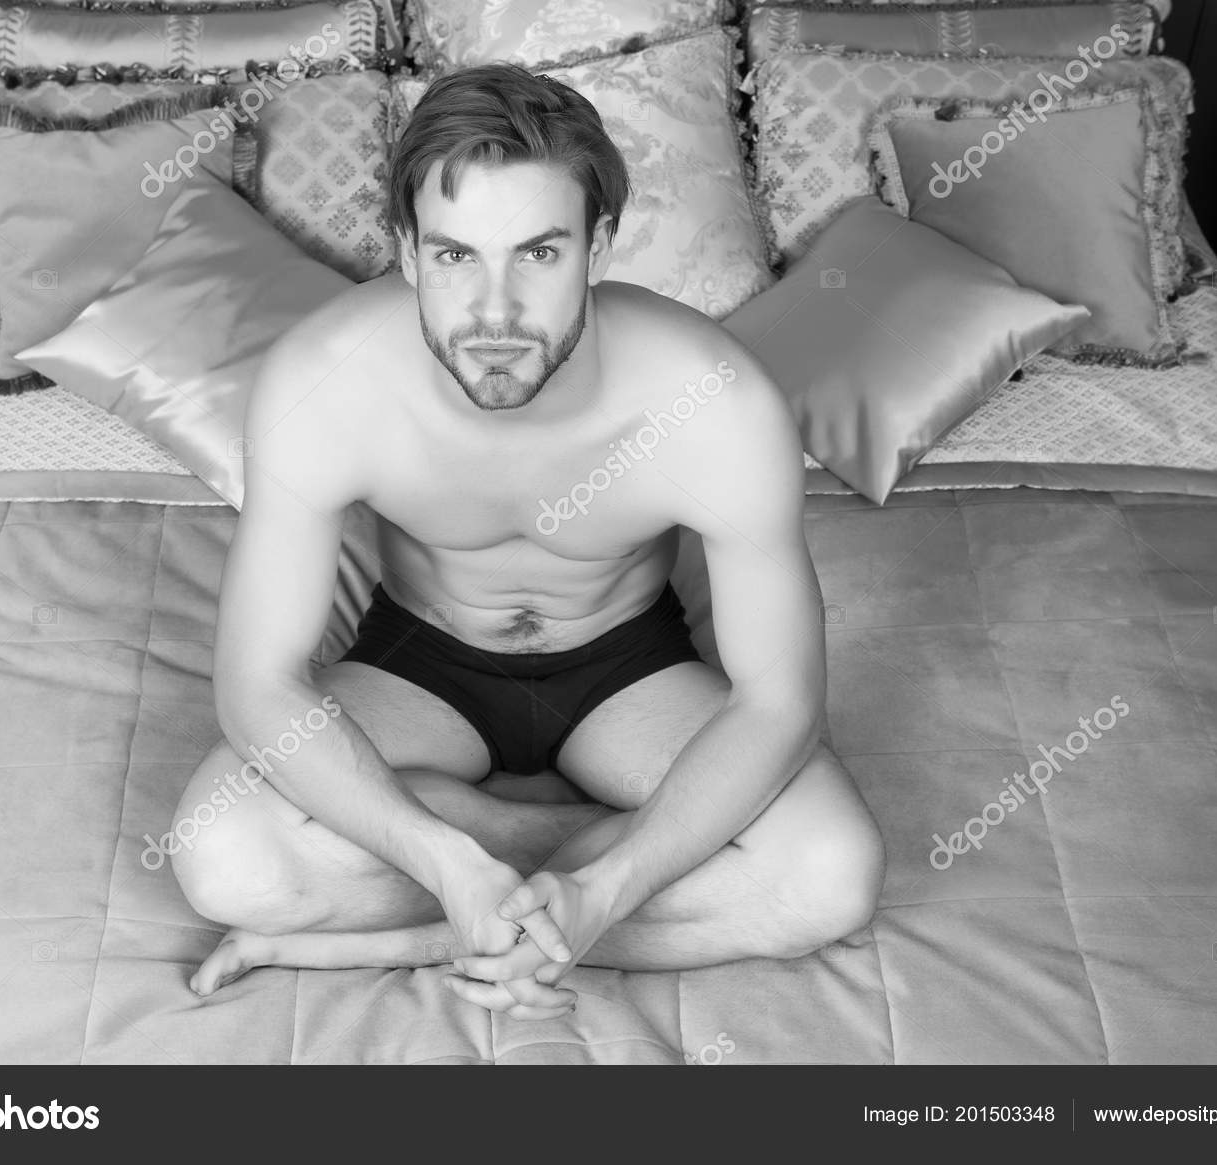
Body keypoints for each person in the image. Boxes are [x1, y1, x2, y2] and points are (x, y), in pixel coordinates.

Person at [171, 62, 884, 1022]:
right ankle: (527, 879)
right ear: (409, 253)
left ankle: (442, 934)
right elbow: (258, 684)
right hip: (417, 664)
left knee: (833, 870)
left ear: (599, 247)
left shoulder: (715, 399)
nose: (496, 311)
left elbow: (781, 701)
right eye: (456, 255)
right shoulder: (323, 379)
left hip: (630, 668)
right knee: (222, 854)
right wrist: (441, 858)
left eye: (538, 253)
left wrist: (608, 888)